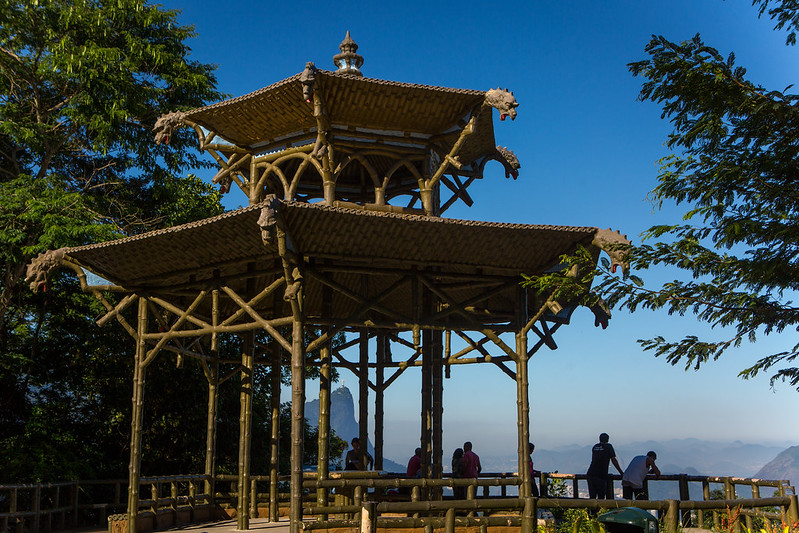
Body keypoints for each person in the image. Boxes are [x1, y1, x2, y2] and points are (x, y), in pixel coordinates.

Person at [586, 433, 624, 499]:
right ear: (608, 439)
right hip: (601, 474)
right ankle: (601, 509)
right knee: (601, 497)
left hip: (590, 474)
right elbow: (613, 460)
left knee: (592, 497)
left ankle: (592, 509)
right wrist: (621, 472)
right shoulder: (608, 447)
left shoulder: (595, 447)